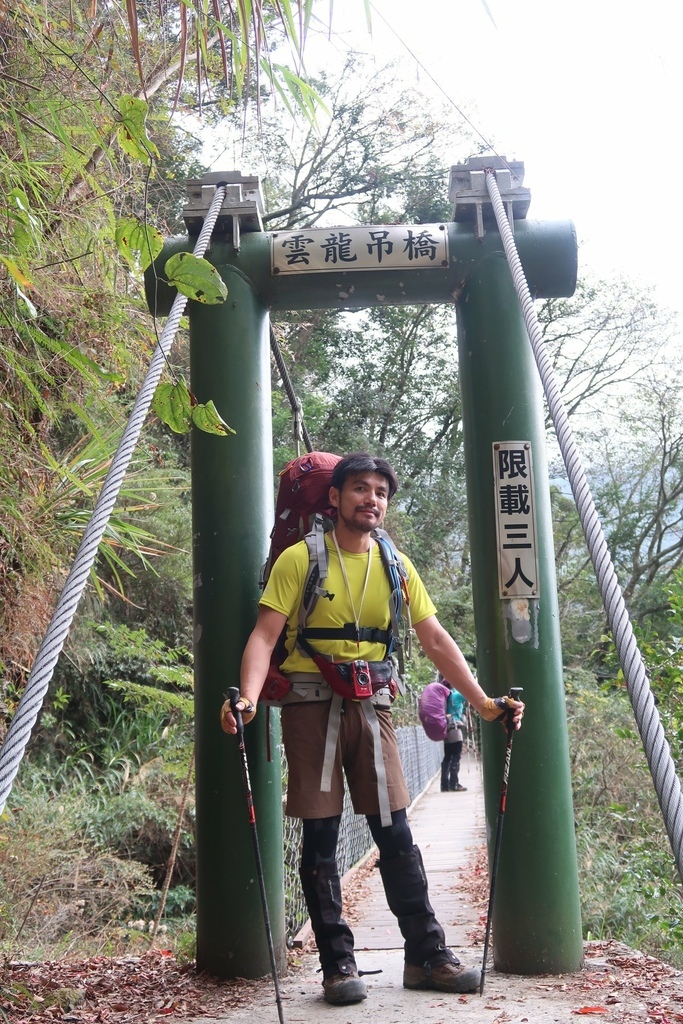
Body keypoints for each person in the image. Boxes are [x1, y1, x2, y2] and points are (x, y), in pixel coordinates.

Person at [221, 452, 524, 1007]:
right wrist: (245, 698)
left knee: (396, 831)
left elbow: (434, 639)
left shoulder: (395, 564)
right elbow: (265, 636)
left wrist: (481, 702)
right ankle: (337, 965)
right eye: (359, 488)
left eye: (380, 492)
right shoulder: (300, 559)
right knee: (320, 835)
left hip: (374, 704)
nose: (372, 500)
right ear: (334, 498)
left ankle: (427, 954)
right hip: (311, 705)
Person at [440, 678, 467, 792]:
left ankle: (444, 785)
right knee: (456, 756)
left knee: (447, 756)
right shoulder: (456, 695)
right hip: (455, 728)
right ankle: (454, 784)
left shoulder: (443, 698)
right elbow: (469, 695)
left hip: (446, 728)